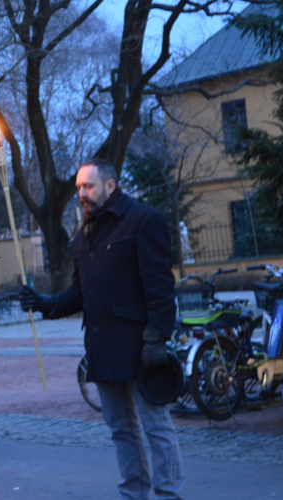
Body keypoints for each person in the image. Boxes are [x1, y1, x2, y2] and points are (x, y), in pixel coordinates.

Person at [19, 158, 184, 500]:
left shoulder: (142, 221)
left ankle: (169, 494)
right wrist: (45, 302)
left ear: (110, 186)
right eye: (79, 187)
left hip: (141, 348)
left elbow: (160, 290)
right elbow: (80, 293)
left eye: (88, 186)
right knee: (121, 430)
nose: (81, 193)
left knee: (156, 427)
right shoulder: (85, 233)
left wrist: (156, 339)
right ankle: (133, 493)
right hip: (102, 348)